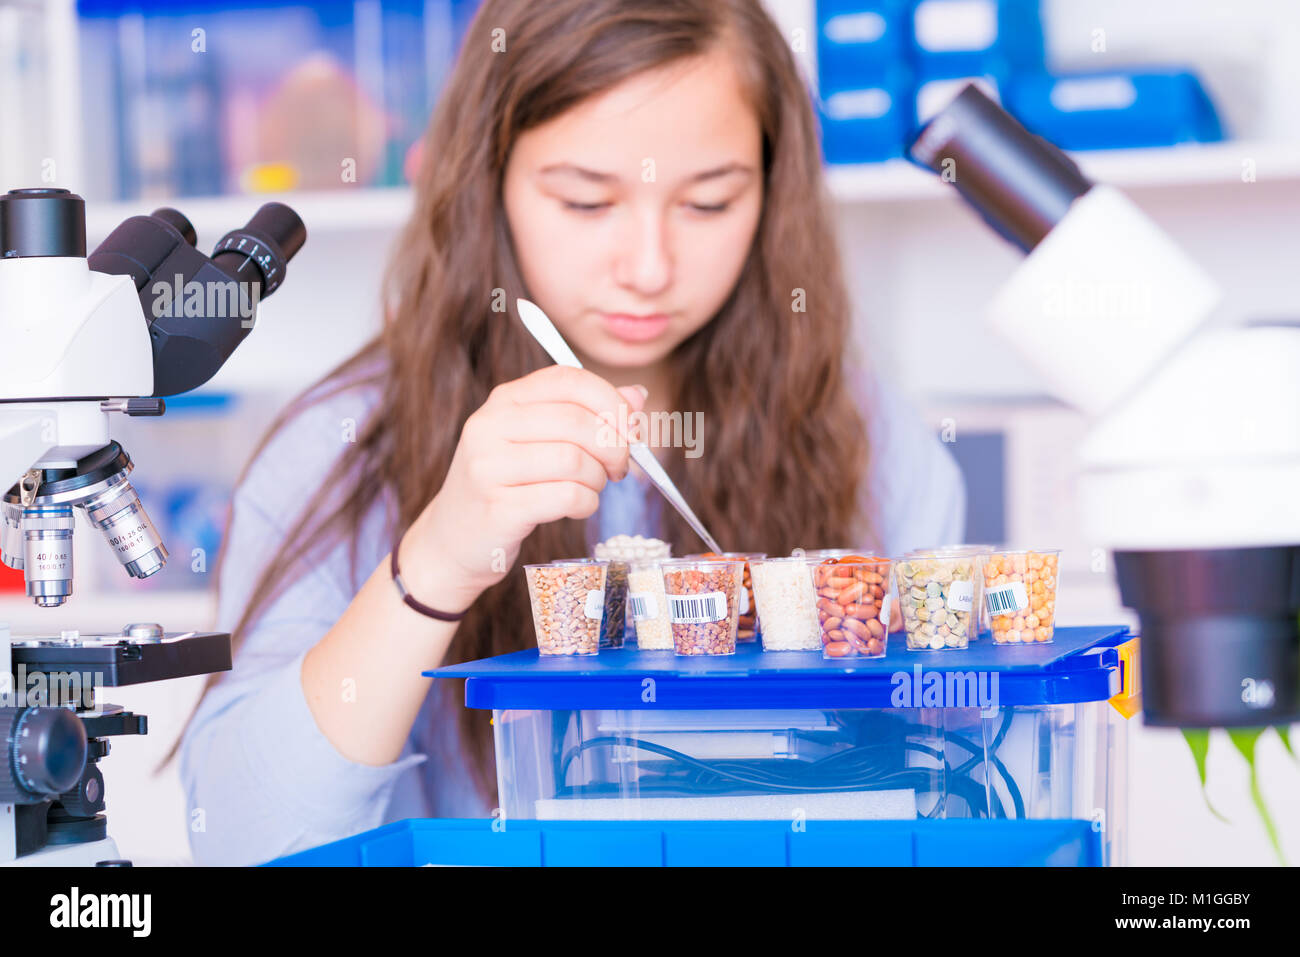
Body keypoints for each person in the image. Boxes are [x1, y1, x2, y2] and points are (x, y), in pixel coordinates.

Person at [180, 0, 965, 865]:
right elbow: (240, 839)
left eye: (709, 202)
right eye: (587, 201)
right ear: (487, 178)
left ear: (774, 191)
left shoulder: (868, 438)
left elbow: (950, 785)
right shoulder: (337, 453)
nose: (649, 267)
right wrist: (434, 564)